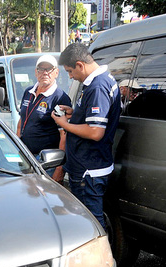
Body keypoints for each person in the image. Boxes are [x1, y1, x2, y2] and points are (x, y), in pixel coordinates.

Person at [51, 43, 122, 229]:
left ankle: (102, 258)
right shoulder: (101, 81)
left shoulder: (97, 87)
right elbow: (94, 119)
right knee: (91, 220)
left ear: (80, 65)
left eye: (70, 71)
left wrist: (64, 124)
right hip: (90, 165)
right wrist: (74, 113)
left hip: (88, 169)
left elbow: (95, 132)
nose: (71, 76)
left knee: (90, 224)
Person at [17, 54, 72, 182]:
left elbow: (64, 135)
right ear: (36, 72)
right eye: (41, 69)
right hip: (26, 158)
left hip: (47, 163)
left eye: (49, 69)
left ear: (56, 73)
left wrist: (59, 169)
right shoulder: (28, 92)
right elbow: (21, 121)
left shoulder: (60, 97)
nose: (45, 73)